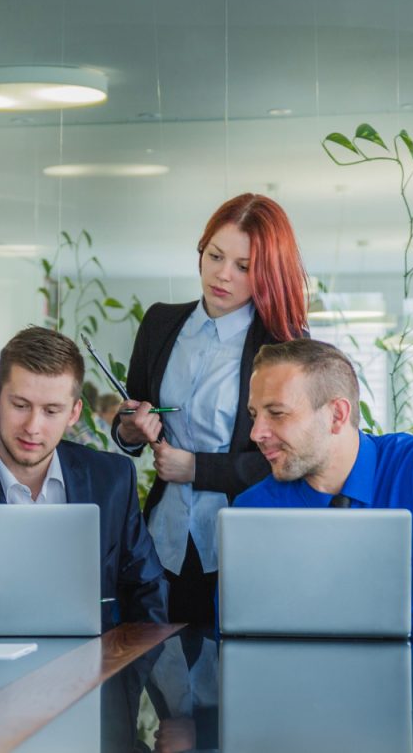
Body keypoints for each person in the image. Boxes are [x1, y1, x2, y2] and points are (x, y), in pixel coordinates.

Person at [113, 193, 309, 624]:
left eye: (244, 267)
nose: (222, 275)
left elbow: (293, 461)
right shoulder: (161, 323)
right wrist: (129, 430)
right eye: (215, 256)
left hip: (244, 542)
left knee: (235, 678)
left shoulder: (283, 348)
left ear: (268, 274)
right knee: (162, 677)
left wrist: (197, 468)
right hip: (163, 539)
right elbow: (133, 414)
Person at [235, 339, 413, 630]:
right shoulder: (254, 510)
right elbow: (239, 625)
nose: (256, 433)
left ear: (337, 415)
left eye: (276, 413)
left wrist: (337, 616)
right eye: (254, 415)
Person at [0, 327, 168, 623]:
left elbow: (148, 591)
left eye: (51, 411)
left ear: (73, 413)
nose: (33, 426)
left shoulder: (111, 479)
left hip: (97, 663)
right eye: (20, 406)